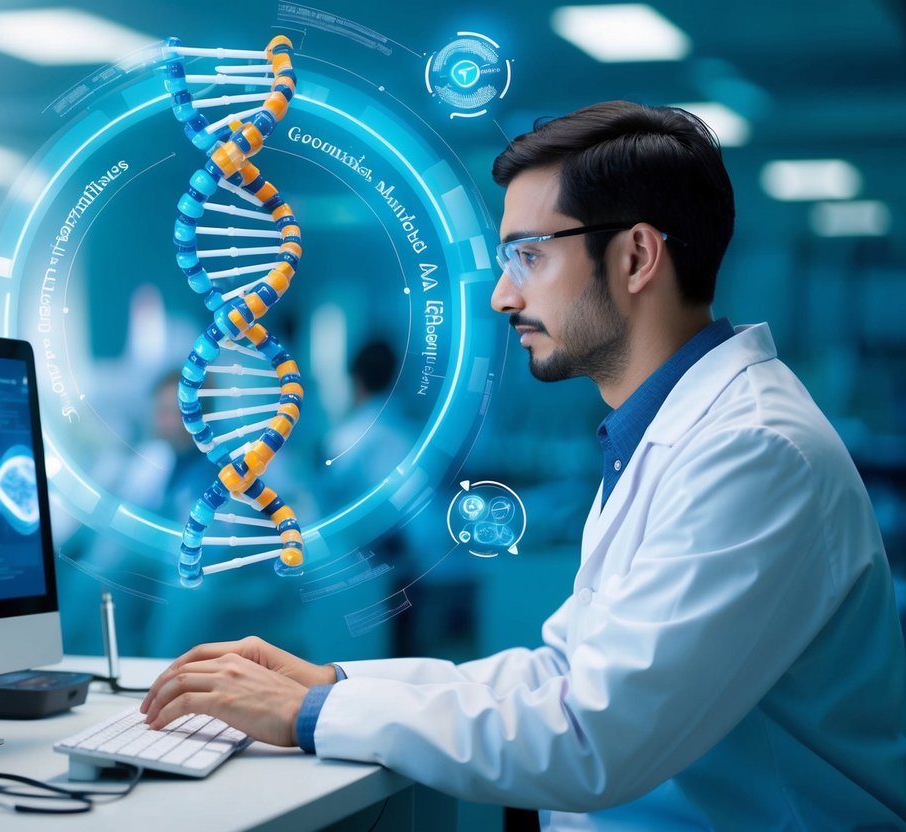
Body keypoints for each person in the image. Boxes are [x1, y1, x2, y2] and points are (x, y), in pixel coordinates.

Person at [139, 101, 906, 827]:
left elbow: (593, 736)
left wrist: (309, 717)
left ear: (636, 256)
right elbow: (560, 675)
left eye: (529, 257)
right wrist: (330, 684)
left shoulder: (751, 452)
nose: (504, 296)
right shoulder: (671, 434)